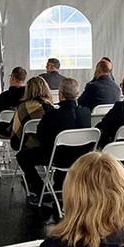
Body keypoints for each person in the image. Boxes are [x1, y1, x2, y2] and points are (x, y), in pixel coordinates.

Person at [17, 78, 91, 206]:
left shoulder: (52, 115)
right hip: (81, 158)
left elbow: (40, 137)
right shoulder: (86, 113)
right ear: (77, 94)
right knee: (63, 152)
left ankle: (41, 192)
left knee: (22, 156)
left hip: (57, 157)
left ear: (61, 95)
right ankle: (59, 189)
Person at [11, 77, 53, 151]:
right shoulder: (50, 108)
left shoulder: (22, 108)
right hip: (48, 149)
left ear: (28, 90)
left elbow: (16, 129)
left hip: (26, 147)